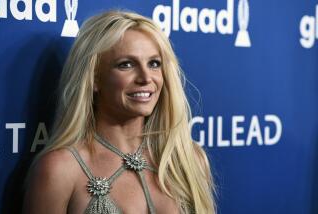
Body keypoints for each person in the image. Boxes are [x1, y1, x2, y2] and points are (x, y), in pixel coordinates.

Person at [23, 10, 216, 214]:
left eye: (154, 64)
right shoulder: (59, 169)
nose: (145, 77)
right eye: (126, 64)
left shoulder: (189, 159)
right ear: (94, 78)